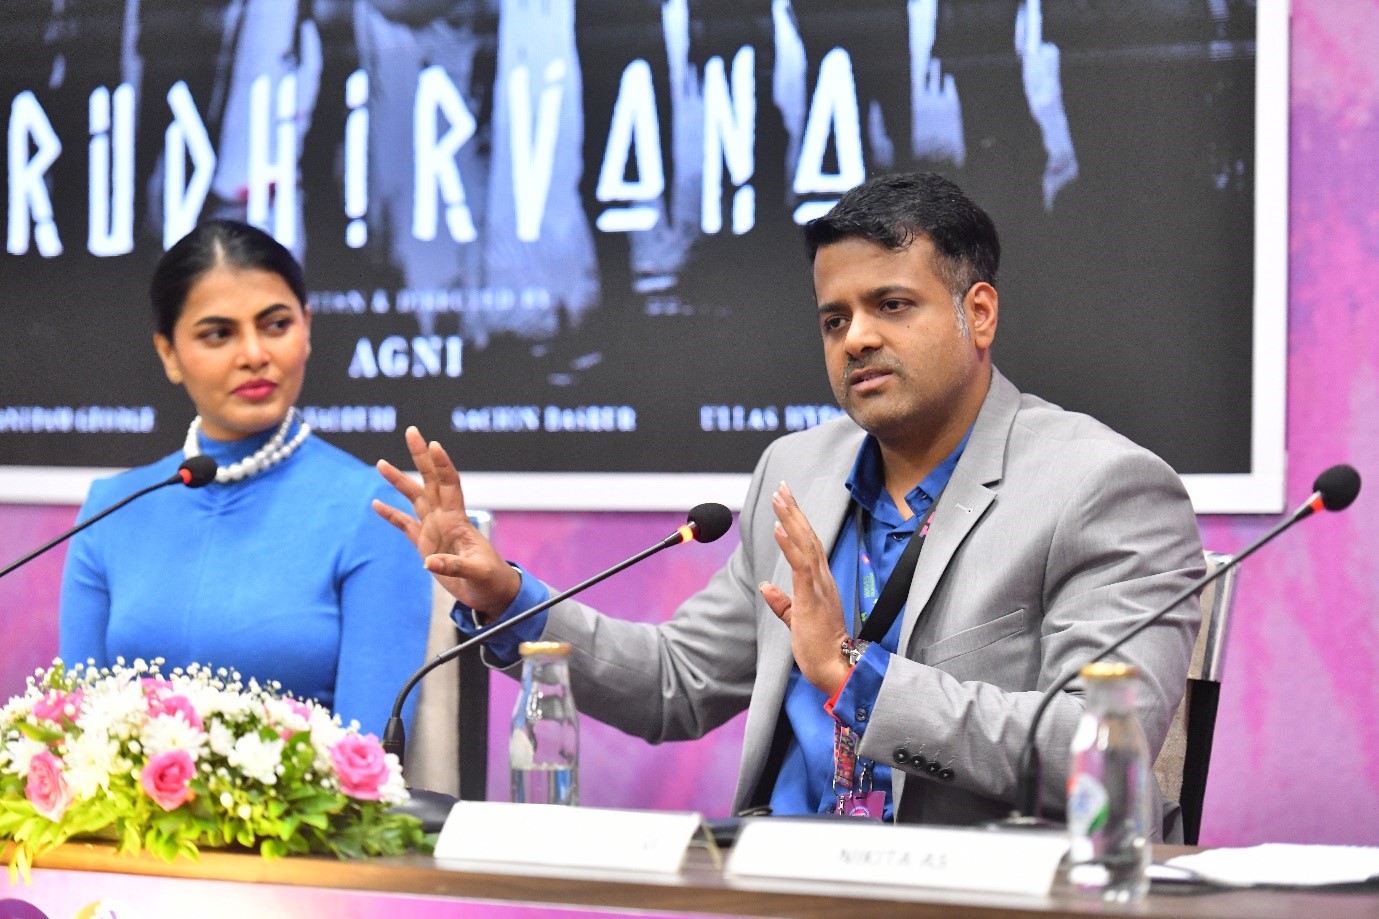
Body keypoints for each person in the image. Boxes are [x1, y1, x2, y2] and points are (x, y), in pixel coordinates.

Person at [374, 172, 1204, 836]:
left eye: (891, 305)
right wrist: (505, 598)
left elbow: (1097, 751)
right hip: (778, 878)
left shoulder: (1100, 486)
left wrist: (854, 674)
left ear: (977, 313)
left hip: (975, 895)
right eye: (834, 319)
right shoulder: (798, 469)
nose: (857, 338)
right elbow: (677, 681)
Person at [60, 219, 433, 737]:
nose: (255, 354)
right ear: (169, 353)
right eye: (218, 334)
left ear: (306, 327)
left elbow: (371, 755)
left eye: (276, 325)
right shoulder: (112, 509)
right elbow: (77, 737)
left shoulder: (376, 511)